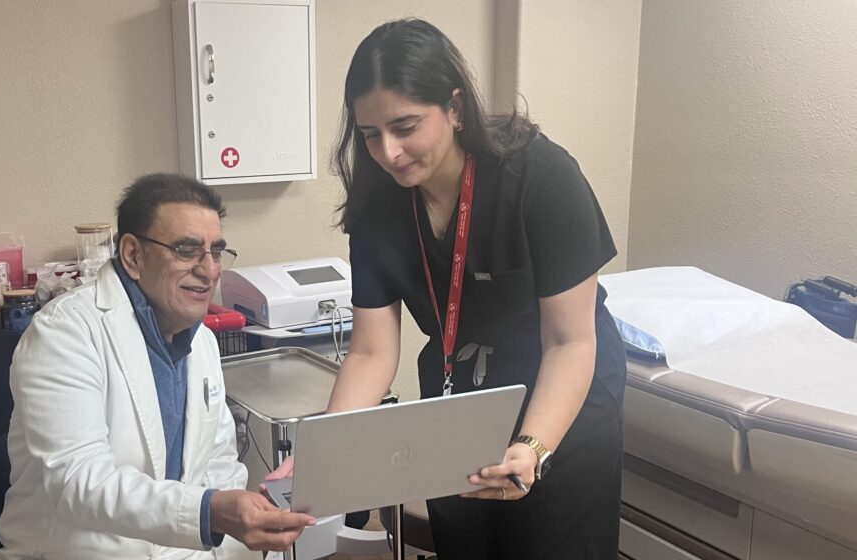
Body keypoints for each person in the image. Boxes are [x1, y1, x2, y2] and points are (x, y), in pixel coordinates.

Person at [268, 18, 627, 559]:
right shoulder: (378, 205)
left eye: (405, 126)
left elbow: (570, 343)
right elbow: (370, 351)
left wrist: (531, 448)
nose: (388, 152)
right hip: (457, 404)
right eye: (370, 134)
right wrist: (329, 453)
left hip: (560, 398)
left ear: (455, 108)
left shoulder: (539, 177)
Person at [0, 173, 315, 560]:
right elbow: (77, 482)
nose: (209, 269)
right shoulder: (64, 333)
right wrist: (209, 512)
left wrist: (244, 529)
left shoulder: (201, 341)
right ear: (132, 255)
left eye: (216, 252)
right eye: (186, 250)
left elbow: (220, 468)